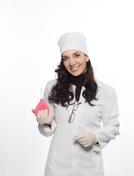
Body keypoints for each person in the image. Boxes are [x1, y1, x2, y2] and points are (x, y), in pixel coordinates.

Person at [34, 32, 120, 176]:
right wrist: (47, 123)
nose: (72, 63)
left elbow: (113, 126)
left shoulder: (106, 91)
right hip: (57, 166)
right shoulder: (51, 88)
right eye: (65, 58)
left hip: (90, 167)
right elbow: (48, 129)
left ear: (86, 56)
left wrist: (96, 137)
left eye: (76, 55)